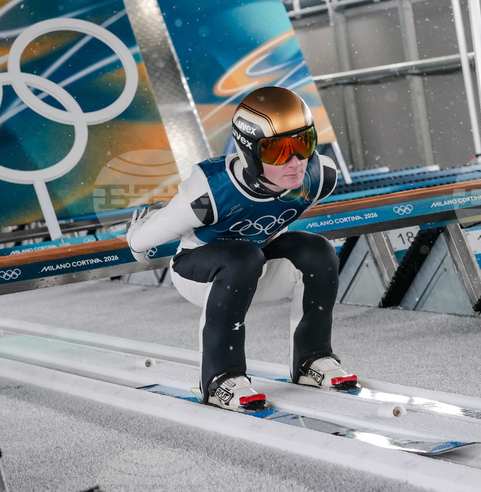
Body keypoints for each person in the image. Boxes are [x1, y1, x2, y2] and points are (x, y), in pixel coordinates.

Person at [126, 86, 355, 412]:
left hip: (257, 263)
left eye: (304, 143)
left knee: (317, 249)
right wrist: (136, 237)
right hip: (199, 273)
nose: (295, 162)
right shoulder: (212, 191)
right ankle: (221, 378)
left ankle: (312, 358)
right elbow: (145, 238)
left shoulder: (320, 176)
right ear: (250, 151)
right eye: (278, 151)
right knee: (242, 257)